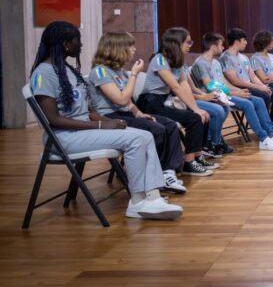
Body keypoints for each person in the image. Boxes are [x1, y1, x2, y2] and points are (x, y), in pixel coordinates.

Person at [30, 21, 182, 220]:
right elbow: (54, 120)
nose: (81, 45)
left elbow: (87, 111)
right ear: (66, 44)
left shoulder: (66, 69)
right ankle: (137, 202)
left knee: (145, 135)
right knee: (136, 139)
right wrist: (102, 124)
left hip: (83, 131)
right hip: (64, 137)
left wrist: (108, 122)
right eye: (78, 41)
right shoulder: (43, 73)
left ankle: (152, 196)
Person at [88, 31, 187, 194]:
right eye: (130, 46)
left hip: (124, 114)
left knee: (169, 125)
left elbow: (128, 103)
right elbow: (120, 100)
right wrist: (133, 74)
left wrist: (138, 113)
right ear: (117, 48)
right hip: (109, 118)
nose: (134, 49)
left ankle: (168, 171)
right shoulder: (100, 71)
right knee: (156, 129)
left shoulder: (118, 71)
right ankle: (154, 176)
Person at [136, 27, 216, 177]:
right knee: (194, 118)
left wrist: (196, 107)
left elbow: (184, 85)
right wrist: (194, 109)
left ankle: (197, 156)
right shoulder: (159, 59)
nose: (190, 45)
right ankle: (188, 163)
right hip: (150, 102)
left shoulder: (177, 60)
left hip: (163, 101)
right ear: (175, 43)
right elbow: (175, 86)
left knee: (203, 115)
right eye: (187, 42)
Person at [192, 32, 273, 151]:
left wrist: (239, 91)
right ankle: (263, 139)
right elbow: (211, 86)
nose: (223, 47)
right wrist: (236, 93)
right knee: (248, 103)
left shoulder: (216, 62)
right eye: (221, 45)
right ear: (213, 47)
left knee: (258, 101)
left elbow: (224, 83)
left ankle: (271, 134)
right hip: (214, 96)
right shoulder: (200, 63)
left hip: (224, 93)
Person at [221, 28, 273, 126]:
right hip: (238, 88)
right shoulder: (225, 58)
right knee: (264, 95)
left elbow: (253, 76)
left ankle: (272, 124)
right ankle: (265, 127)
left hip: (250, 85)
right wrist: (259, 87)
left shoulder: (244, 57)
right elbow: (235, 81)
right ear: (237, 41)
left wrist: (264, 87)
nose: (246, 43)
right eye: (244, 40)